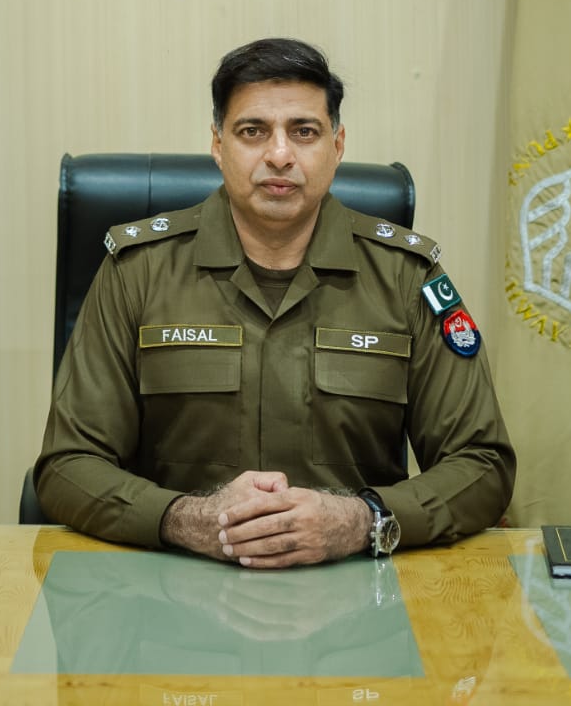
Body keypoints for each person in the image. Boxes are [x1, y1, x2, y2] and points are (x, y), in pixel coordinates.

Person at [34, 38, 515, 569]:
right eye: (252, 131)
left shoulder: (406, 276)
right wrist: (190, 520)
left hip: (358, 591)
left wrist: (359, 521)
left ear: (337, 146)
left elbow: (483, 464)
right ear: (218, 145)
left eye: (304, 131)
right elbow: (67, 466)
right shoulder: (138, 271)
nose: (280, 155)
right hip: (174, 584)